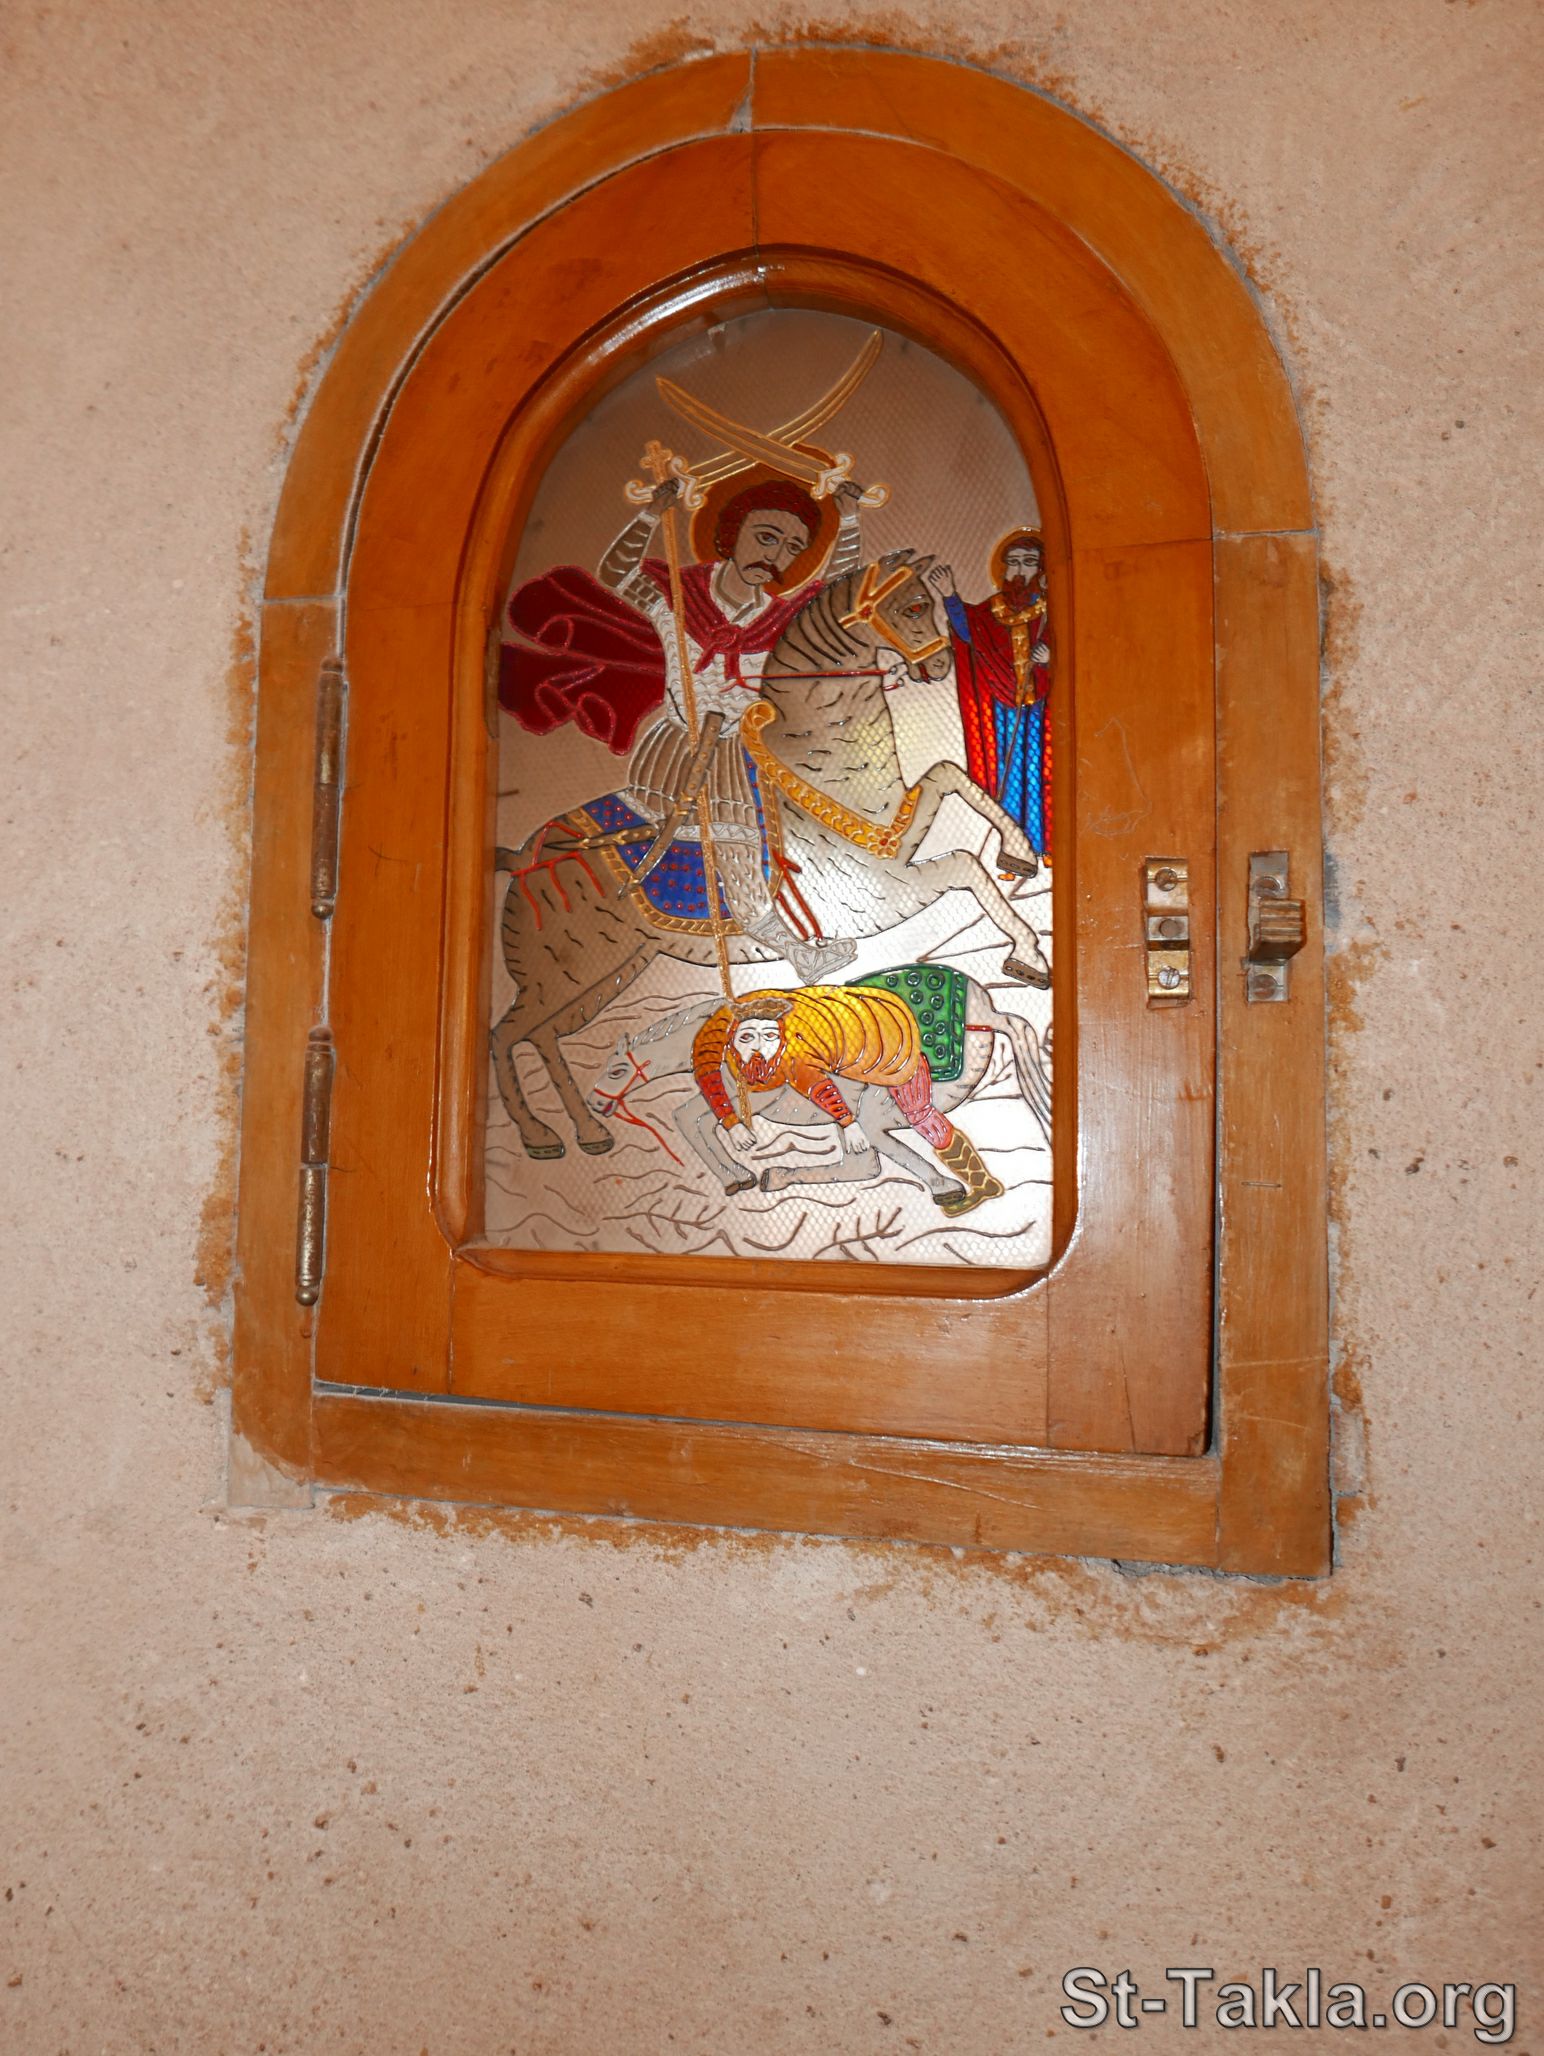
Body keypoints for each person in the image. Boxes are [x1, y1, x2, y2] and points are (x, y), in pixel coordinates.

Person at [690, 987, 1005, 1217]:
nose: (758, 1048)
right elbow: (706, 1070)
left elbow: (817, 1086)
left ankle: (980, 1182)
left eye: (768, 1037)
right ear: (732, 1039)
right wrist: (730, 1123)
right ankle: (957, 1182)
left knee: (919, 1116)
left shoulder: (795, 1052)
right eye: (747, 1038)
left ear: (781, 1036)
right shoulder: (718, 1038)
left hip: (891, 1048)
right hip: (853, 1031)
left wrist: (848, 1123)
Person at [928, 529, 1054, 860]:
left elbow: (1081, 647)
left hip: (1041, 709)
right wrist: (950, 595)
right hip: (1004, 707)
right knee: (1009, 778)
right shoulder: (993, 609)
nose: (1020, 570)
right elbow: (970, 632)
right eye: (1014, 562)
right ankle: (1015, 849)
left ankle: (1044, 844)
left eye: (1029, 562)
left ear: (1041, 568)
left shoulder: (1051, 610)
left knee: (1040, 775)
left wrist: (1051, 659)